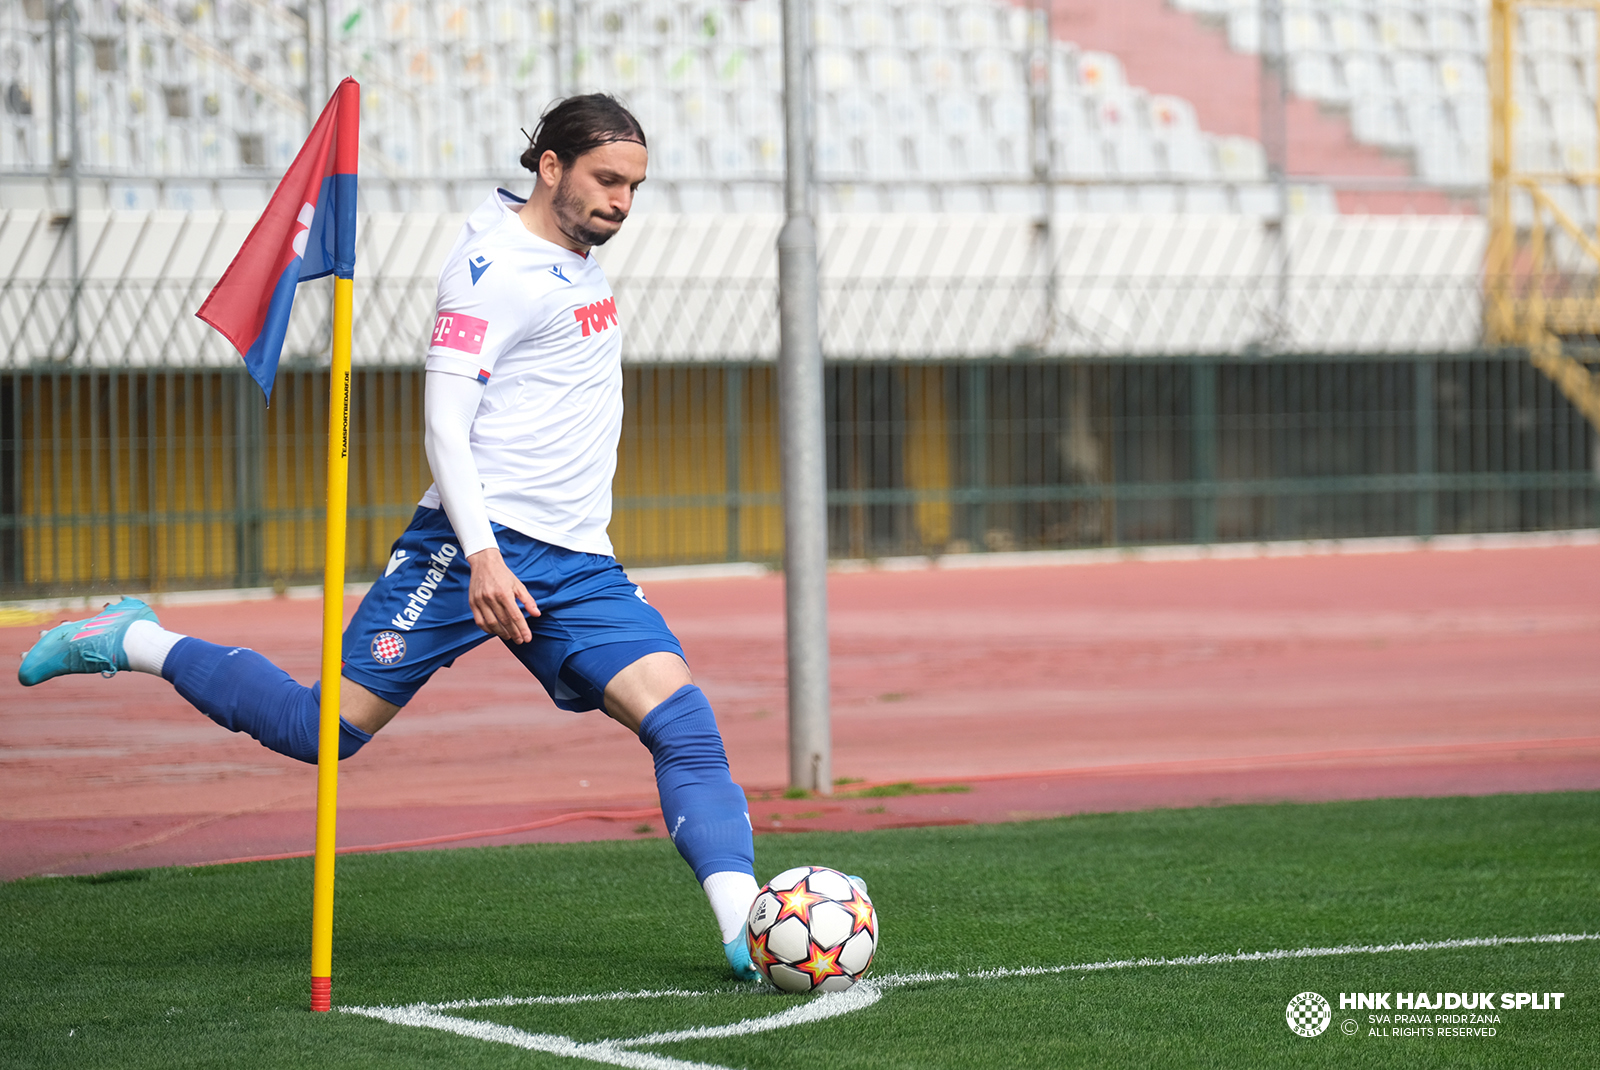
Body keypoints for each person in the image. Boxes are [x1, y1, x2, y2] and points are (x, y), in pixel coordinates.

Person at [18, 94, 763, 981]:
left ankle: (746, 931)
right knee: (319, 731)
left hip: (580, 561)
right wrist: (482, 554)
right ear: (551, 167)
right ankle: (132, 637)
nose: (623, 204)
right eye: (608, 180)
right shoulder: (491, 271)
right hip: (468, 550)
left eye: (636, 186)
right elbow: (445, 425)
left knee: (685, 727)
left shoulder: (564, 250)